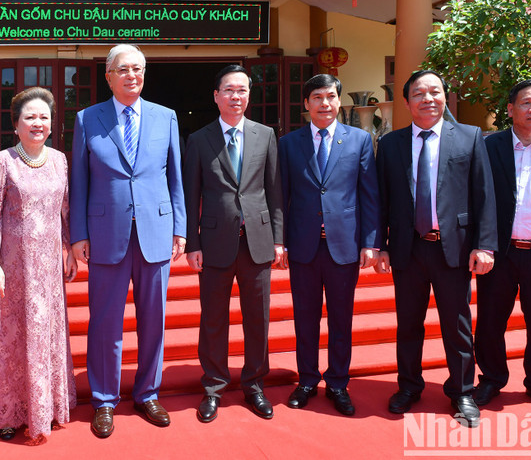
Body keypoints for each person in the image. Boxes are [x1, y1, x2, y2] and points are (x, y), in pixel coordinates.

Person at [70, 44, 186, 438]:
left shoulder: (165, 117)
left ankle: (147, 393)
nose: (131, 76)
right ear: (108, 76)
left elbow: (175, 179)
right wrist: (78, 235)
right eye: (123, 69)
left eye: (138, 69)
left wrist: (180, 228)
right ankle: (104, 400)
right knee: (105, 323)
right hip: (106, 236)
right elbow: (80, 180)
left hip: (155, 232)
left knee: (154, 320)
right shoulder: (88, 118)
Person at [375, 69, 497, 428]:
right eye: (419, 93)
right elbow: (382, 201)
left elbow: (484, 197)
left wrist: (485, 244)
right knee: (408, 323)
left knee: (456, 324)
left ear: (445, 96)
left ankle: (461, 390)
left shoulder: (471, 137)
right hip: (407, 249)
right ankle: (409, 386)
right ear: (407, 101)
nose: (428, 99)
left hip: (453, 249)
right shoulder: (391, 144)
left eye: (435, 92)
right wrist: (380, 245)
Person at [182, 65, 283, 423]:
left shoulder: (265, 135)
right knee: (213, 319)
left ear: (249, 96)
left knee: (258, 319)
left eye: (242, 91)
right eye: (228, 90)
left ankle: (254, 384)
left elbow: (274, 191)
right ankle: (213, 386)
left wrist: (278, 239)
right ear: (216, 95)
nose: (235, 97)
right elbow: (190, 195)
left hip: (256, 241)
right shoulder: (198, 139)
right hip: (213, 243)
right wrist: (192, 243)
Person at [0, 87, 78, 440]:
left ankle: (45, 407)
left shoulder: (60, 160)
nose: (38, 123)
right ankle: (8, 410)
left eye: (44, 117)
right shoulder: (3, 161)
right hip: (13, 266)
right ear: (16, 125)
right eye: (30, 117)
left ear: (52, 124)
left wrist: (68, 250)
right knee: (12, 336)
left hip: (49, 266)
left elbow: (66, 212)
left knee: (46, 335)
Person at [278, 74, 380, 416]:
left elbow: (369, 195)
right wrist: (280, 241)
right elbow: (282, 197)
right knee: (304, 318)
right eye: (317, 97)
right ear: (306, 104)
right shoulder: (289, 143)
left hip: (344, 246)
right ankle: (306, 379)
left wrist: (370, 242)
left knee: (341, 319)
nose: (325, 103)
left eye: (331, 96)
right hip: (304, 246)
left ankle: (338, 382)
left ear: (339, 101)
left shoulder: (360, 140)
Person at [474, 79, 531, 413]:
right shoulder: (488, 146)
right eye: (527, 103)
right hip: (499, 251)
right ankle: (491, 379)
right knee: (490, 321)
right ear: (511, 109)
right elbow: (476, 196)